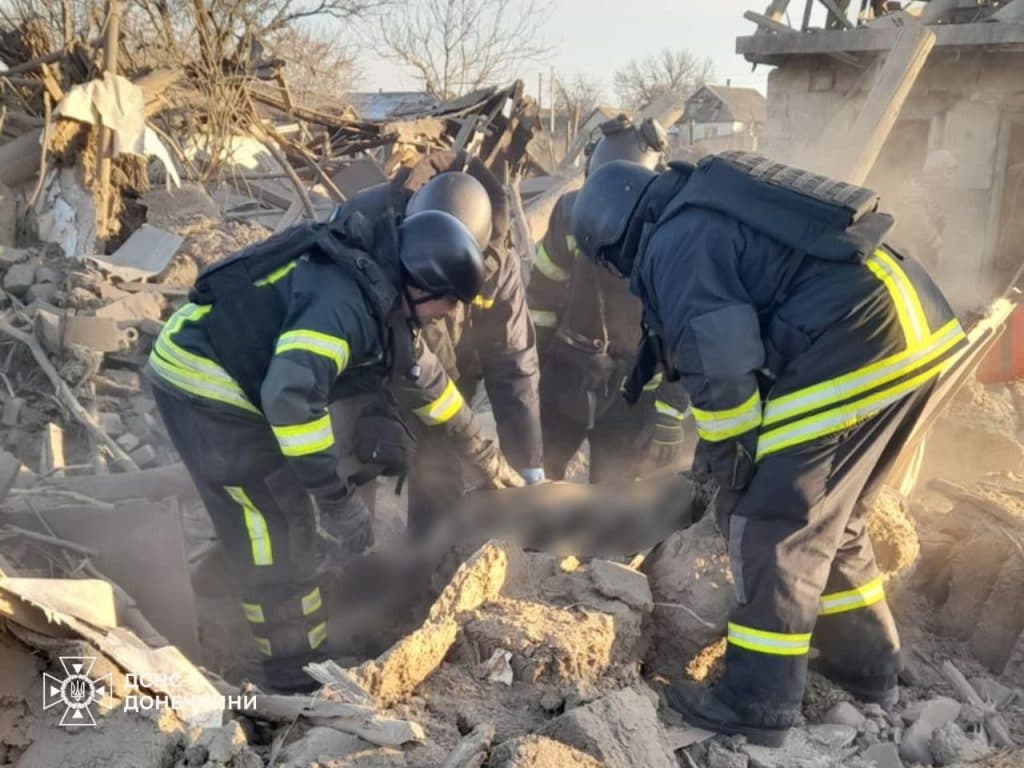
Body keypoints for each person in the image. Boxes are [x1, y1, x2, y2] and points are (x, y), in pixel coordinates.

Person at [571, 151, 966, 745]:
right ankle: (867, 668)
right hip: (918, 330)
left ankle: (757, 701)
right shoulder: (697, 209)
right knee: (838, 517)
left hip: (858, 339)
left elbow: (722, 361)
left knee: (771, 522)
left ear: (613, 240)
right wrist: (720, 456)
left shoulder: (673, 242)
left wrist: (732, 463)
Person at [147, 207, 522, 692]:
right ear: (422, 284)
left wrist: (487, 457)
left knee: (282, 515)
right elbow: (289, 398)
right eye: (450, 300)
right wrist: (335, 499)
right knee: (278, 525)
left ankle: (301, 647)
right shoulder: (344, 306)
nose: (453, 313)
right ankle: (292, 674)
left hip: (235, 378)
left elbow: (428, 384)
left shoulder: (384, 292)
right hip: (204, 384)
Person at [329, 150, 543, 537]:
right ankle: (350, 568)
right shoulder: (364, 225)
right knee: (352, 466)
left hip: (446, 381)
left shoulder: (498, 259)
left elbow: (513, 361)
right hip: (361, 371)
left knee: (439, 473)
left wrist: (526, 458)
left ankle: (425, 574)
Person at [528, 114, 691, 483]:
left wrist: (671, 408)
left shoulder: (672, 233)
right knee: (543, 482)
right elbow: (541, 300)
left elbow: (685, 330)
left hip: (631, 390)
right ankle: (539, 538)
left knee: (611, 499)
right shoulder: (568, 215)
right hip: (567, 376)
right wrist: (534, 374)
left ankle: (603, 539)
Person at [891, 149, 957, 273]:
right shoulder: (912, 190)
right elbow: (915, 220)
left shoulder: (933, 194)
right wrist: (936, 241)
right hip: (907, 260)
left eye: (951, 172)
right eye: (947, 172)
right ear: (933, 172)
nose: (949, 177)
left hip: (920, 262)